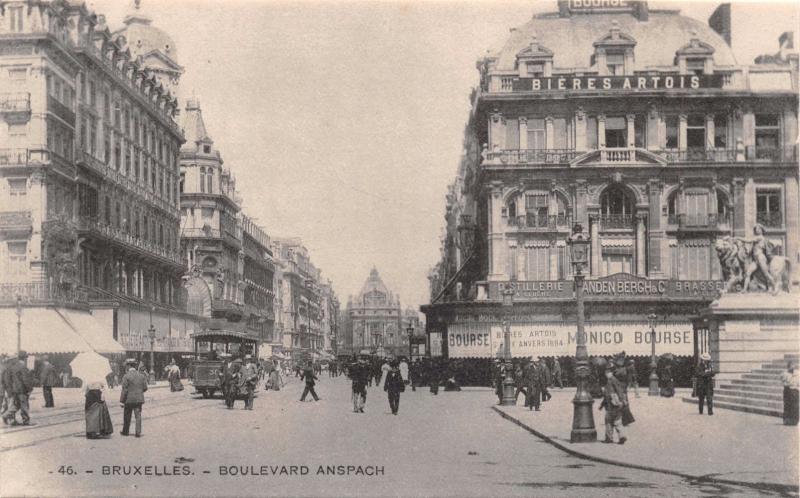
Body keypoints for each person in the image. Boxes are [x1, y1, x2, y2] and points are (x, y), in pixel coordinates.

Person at [3, 351, 33, 426]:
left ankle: (6, 415)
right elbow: (25, 379)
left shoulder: (13, 367)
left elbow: (9, 380)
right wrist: (29, 389)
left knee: (16, 405)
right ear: (24, 358)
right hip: (22, 389)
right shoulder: (22, 366)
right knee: (24, 405)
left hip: (15, 390)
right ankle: (26, 421)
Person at [120, 359, 148, 437]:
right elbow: (145, 388)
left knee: (127, 416)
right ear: (135, 366)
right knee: (138, 416)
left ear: (128, 366)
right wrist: (139, 392)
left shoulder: (126, 376)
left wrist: (121, 401)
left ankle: (125, 432)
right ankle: (138, 432)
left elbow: (124, 390)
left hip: (128, 400)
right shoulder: (141, 376)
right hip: (139, 399)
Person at [599, 365, 627, 444]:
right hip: (615, 404)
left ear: (610, 372)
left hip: (612, 405)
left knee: (608, 421)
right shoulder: (611, 380)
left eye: (607, 372)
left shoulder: (612, 380)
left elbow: (618, 391)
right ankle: (622, 436)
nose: (606, 374)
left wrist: (622, 400)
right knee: (617, 421)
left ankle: (609, 438)